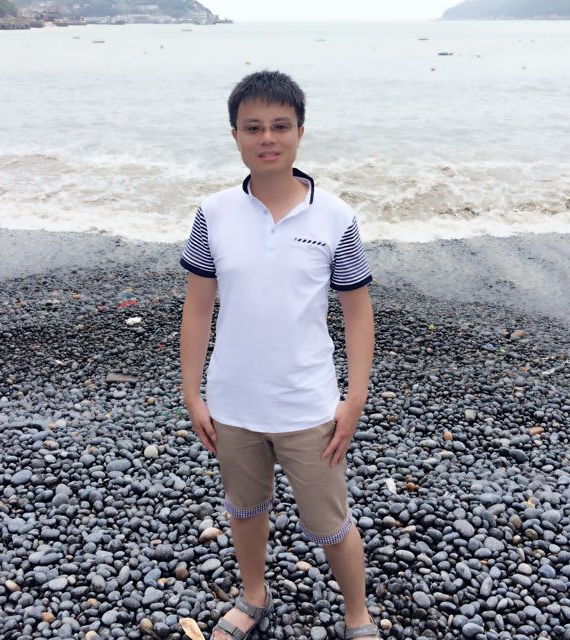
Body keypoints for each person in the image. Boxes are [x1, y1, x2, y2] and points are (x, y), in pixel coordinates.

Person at [179, 70, 377, 640]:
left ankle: (358, 615)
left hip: (307, 403)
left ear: (300, 133)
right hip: (233, 403)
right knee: (245, 509)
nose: (267, 138)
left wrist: (354, 399)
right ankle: (253, 595)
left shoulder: (335, 217)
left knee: (330, 521)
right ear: (235, 136)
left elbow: (358, 312)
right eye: (253, 127)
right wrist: (192, 393)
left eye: (280, 126)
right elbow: (197, 309)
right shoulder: (213, 212)